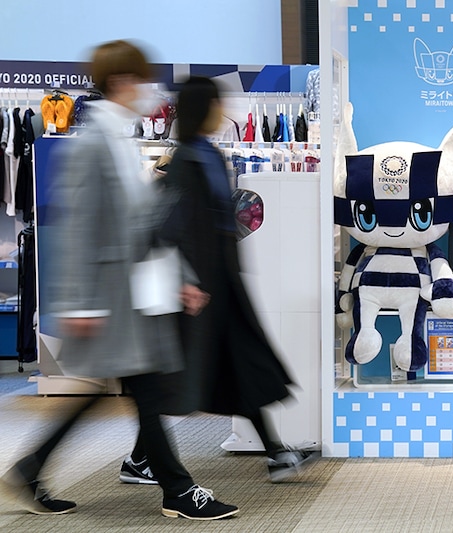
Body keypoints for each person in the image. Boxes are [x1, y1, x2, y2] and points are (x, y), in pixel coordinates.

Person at [0, 41, 238, 521]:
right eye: (140, 79)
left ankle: (29, 470)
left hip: (133, 291)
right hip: (110, 296)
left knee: (126, 388)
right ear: (120, 82)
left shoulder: (117, 140)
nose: (148, 89)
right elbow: (77, 229)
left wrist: (179, 278)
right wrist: (79, 304)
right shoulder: (90, 145)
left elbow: (142, 223)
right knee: (144, 387)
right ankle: (177, 489)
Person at [119, 75, 315, 486]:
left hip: (221, 286)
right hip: (199, 292)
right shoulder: (185, 161)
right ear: (200, 109)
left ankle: (277, 453)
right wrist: (188, 282)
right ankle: (141, 458)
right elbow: (169, 228)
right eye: (215, 104)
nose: (221, 111)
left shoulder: (205, 155)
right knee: (180, 381)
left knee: (237, 366)